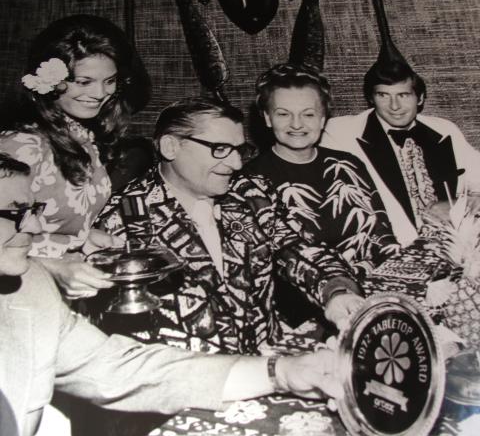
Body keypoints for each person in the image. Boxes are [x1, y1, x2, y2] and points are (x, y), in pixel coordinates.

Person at [0, 151, 344, 436]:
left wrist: (280, 372)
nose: (35, 228)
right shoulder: (130, 209)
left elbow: (126, 369)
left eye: (33, 211)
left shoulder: (30, 292)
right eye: (15, 213)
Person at [94, 97, 363, 354]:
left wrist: (336, 291)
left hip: (267, 361)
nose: (236, 164)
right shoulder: (123, 218)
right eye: (220, 149)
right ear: (170, 147)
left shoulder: (251, 193)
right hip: (187, 374)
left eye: (239, 150)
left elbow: (297, 248)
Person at [0, 14, 150, 298]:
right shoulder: (20, 146)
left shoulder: (84, 136)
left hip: (67, 291)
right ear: (49, 81)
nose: (100, 93)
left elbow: (55, 223)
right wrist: (53, 265)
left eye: (110, 81)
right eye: (83, 82)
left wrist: (84, 239)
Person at [244, 63, 398, 327]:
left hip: (376, 298)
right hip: (309, 315)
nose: (296, 124)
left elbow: (382, 236)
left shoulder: (347, 164)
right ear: (267, 118)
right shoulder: (250, 181)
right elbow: (286, 258)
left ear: (323, 117)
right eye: (283, 114)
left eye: (308, 114)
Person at [320, 61, 480, 246]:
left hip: (452, 245)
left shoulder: (444, 129)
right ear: (371, 98)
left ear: (420, 98)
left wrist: (456, 206)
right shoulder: (340, 132)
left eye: (403, 95)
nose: (394, 106)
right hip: (384, 246)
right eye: (383, 95)